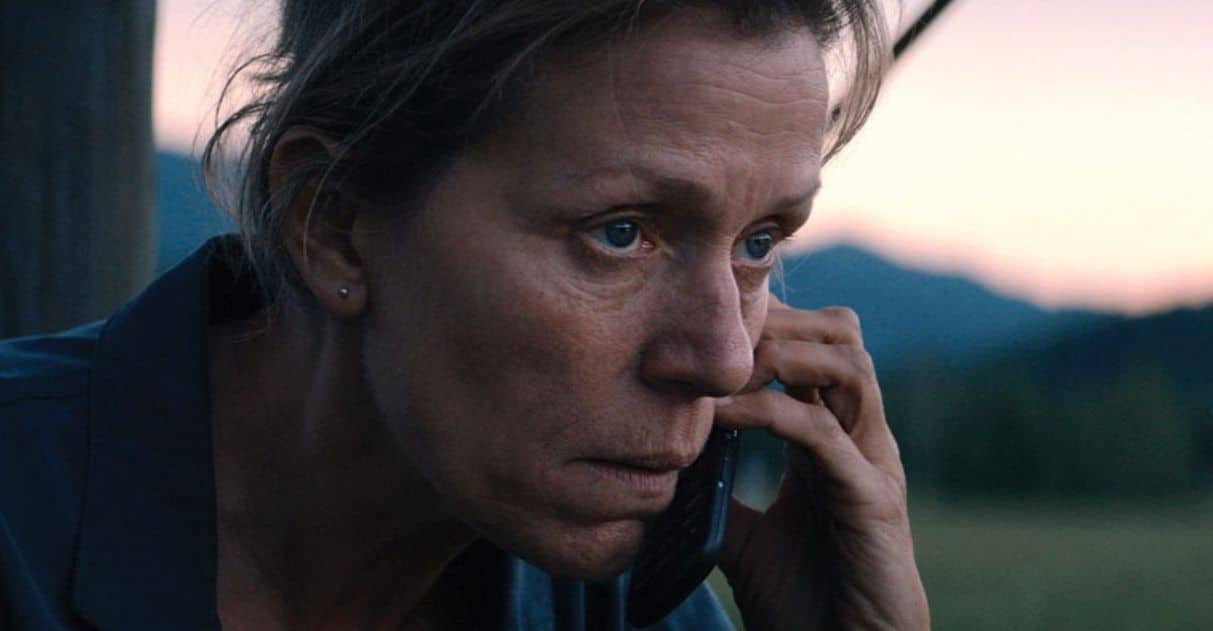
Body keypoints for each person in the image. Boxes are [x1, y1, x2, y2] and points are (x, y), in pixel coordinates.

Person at [0, 1, 930, 629]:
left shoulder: (605, 583)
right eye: (620, 233)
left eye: (759, 242)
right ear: (331, 224)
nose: (725, 358)